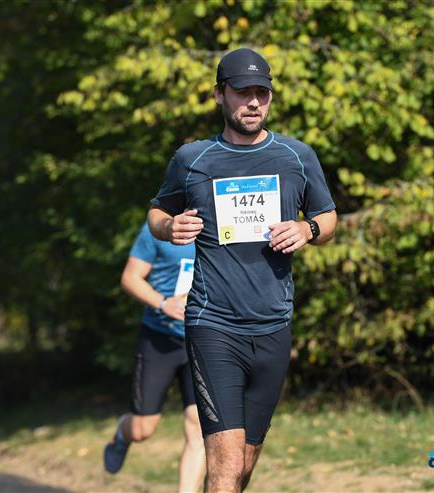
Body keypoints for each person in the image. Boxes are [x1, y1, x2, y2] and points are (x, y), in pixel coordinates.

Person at [147, 48, 337, 492]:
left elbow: (328, 218)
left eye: (261, 93)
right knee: (226, 464)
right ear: (220, 94)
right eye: (242, 92)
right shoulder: (193, 158)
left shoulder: (295, 156)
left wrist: (307, 229)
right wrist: (169, 227)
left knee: (244, 465)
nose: (253, 102)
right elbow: (157, 212)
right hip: (213, 323)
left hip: (273, 325)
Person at [103, 222, 205, 492]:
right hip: (160, 337)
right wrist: (163, 302)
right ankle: (122, 433)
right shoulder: (159, 227)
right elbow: (130, 278)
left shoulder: (220, 224)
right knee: (143, 429)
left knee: (198, 426)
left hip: (203, 339)